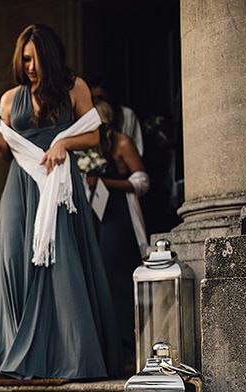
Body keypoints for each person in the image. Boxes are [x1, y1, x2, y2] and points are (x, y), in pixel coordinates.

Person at [0, 23, 121, 379]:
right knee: (12, 258)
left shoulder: (75, 88)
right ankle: (13, 351)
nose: (30, 66)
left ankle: (71, 353)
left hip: (60, 184)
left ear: (49, 56)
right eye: (24, 59)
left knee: (61, 261)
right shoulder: (9, 99)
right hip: (20, 186)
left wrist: (64, 144)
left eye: (35, 58)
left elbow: (94, 135)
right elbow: (7, 155)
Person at [90, 99, 150, 368]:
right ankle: (110, 348)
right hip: (97, 215)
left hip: (121, 216)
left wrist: (107, 183)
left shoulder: (122, 142)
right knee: (101, 277)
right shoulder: (91, 147)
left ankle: (129, 346)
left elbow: (143, 181)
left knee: (120, 281)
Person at [90, 77, 144, 156]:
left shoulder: (127, 114)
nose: (96, 102)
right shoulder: (90, 116)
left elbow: (137, 144)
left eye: (100, 98)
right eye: (93, 98)